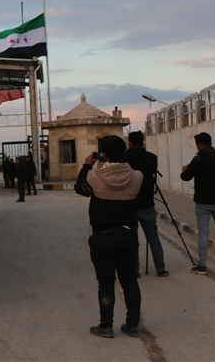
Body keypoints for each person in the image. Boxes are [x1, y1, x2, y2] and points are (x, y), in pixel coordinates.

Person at [75, 135, 143, 339]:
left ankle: (106, 326)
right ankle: (132, 325)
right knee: (130, 282)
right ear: (124, 153)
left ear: (104, 155)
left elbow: (80, 189)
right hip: (128, 235)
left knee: (105, 283)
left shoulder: (95, 177)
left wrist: (87, 165)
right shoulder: (137, 177)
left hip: (103, 238)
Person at [180, 132, 215, 275]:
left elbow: (186, 177)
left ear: (199, 145)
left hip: (203, 202)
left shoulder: (198, 159)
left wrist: (185, 169)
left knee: (204, 232)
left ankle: (202, 266)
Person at [124, 131, 168, 277]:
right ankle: (160, 268)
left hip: (130, 204)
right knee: (153, 236)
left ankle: (135, 270)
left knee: (132, 238)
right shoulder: (152, 158)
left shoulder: (125, 158)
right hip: (148, 202)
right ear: (143, 142)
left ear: (129, 143)